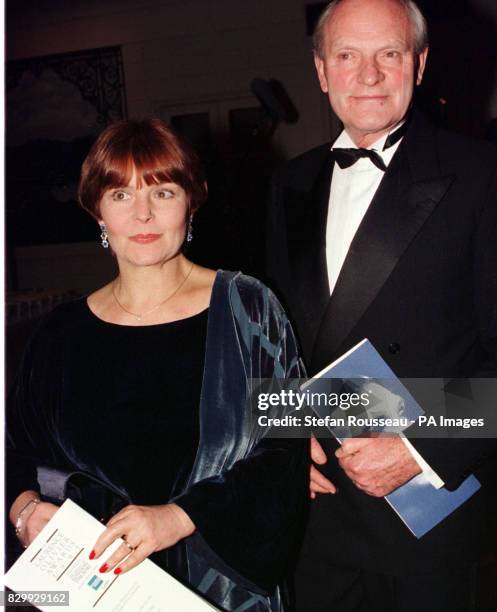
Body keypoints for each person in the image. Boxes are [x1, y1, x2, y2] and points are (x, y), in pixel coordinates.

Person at [7, 118, 308, 612]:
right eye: (121, 195)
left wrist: (179, 517)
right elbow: (14, 451)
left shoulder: (246, 308)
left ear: (192, 202)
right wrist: (23, 511)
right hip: (94, 592)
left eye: (163, 192)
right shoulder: (59, 333)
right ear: (97, 211)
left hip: (221, 589)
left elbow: (286, 448)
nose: (143, 214)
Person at [265, 0, 497, 610]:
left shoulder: (483, 177)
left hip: (426, 517)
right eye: (347, 56)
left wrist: (419, 446)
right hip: (316, 519)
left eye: (388, 54)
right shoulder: (287, 183)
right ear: (321, 70)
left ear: (419, 65)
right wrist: (285, 439)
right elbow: (272, 340)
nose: (367, 76)